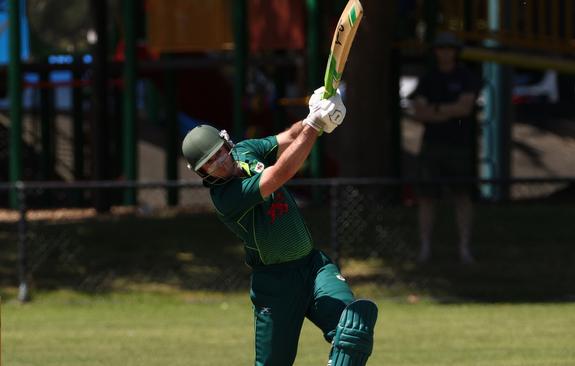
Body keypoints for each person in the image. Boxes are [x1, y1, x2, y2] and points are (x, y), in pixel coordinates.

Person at [181, 87, 378, 366]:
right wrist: (314, 125)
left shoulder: (245, 150)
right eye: (209, 164)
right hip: (275, 284)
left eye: (218, 154)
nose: (219, 164)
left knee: (353, 329)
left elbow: (289, 138)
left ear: (227, 143)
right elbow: (279, 175)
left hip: (313, 267)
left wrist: (314, 113)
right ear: (202, 173)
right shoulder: (226, 197)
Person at [407, 32, 479, 265]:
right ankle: (425, 248)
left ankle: (465, 248)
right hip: (432, 145)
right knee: (427, 197)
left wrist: (435, 110)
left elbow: (464, 109)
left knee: (463, 195)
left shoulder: (466, 76)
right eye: (441, 48)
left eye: (449, 48)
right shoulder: (428, 79)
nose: (445, 52)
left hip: (460, 145)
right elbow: (419, 112)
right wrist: (448, 110)